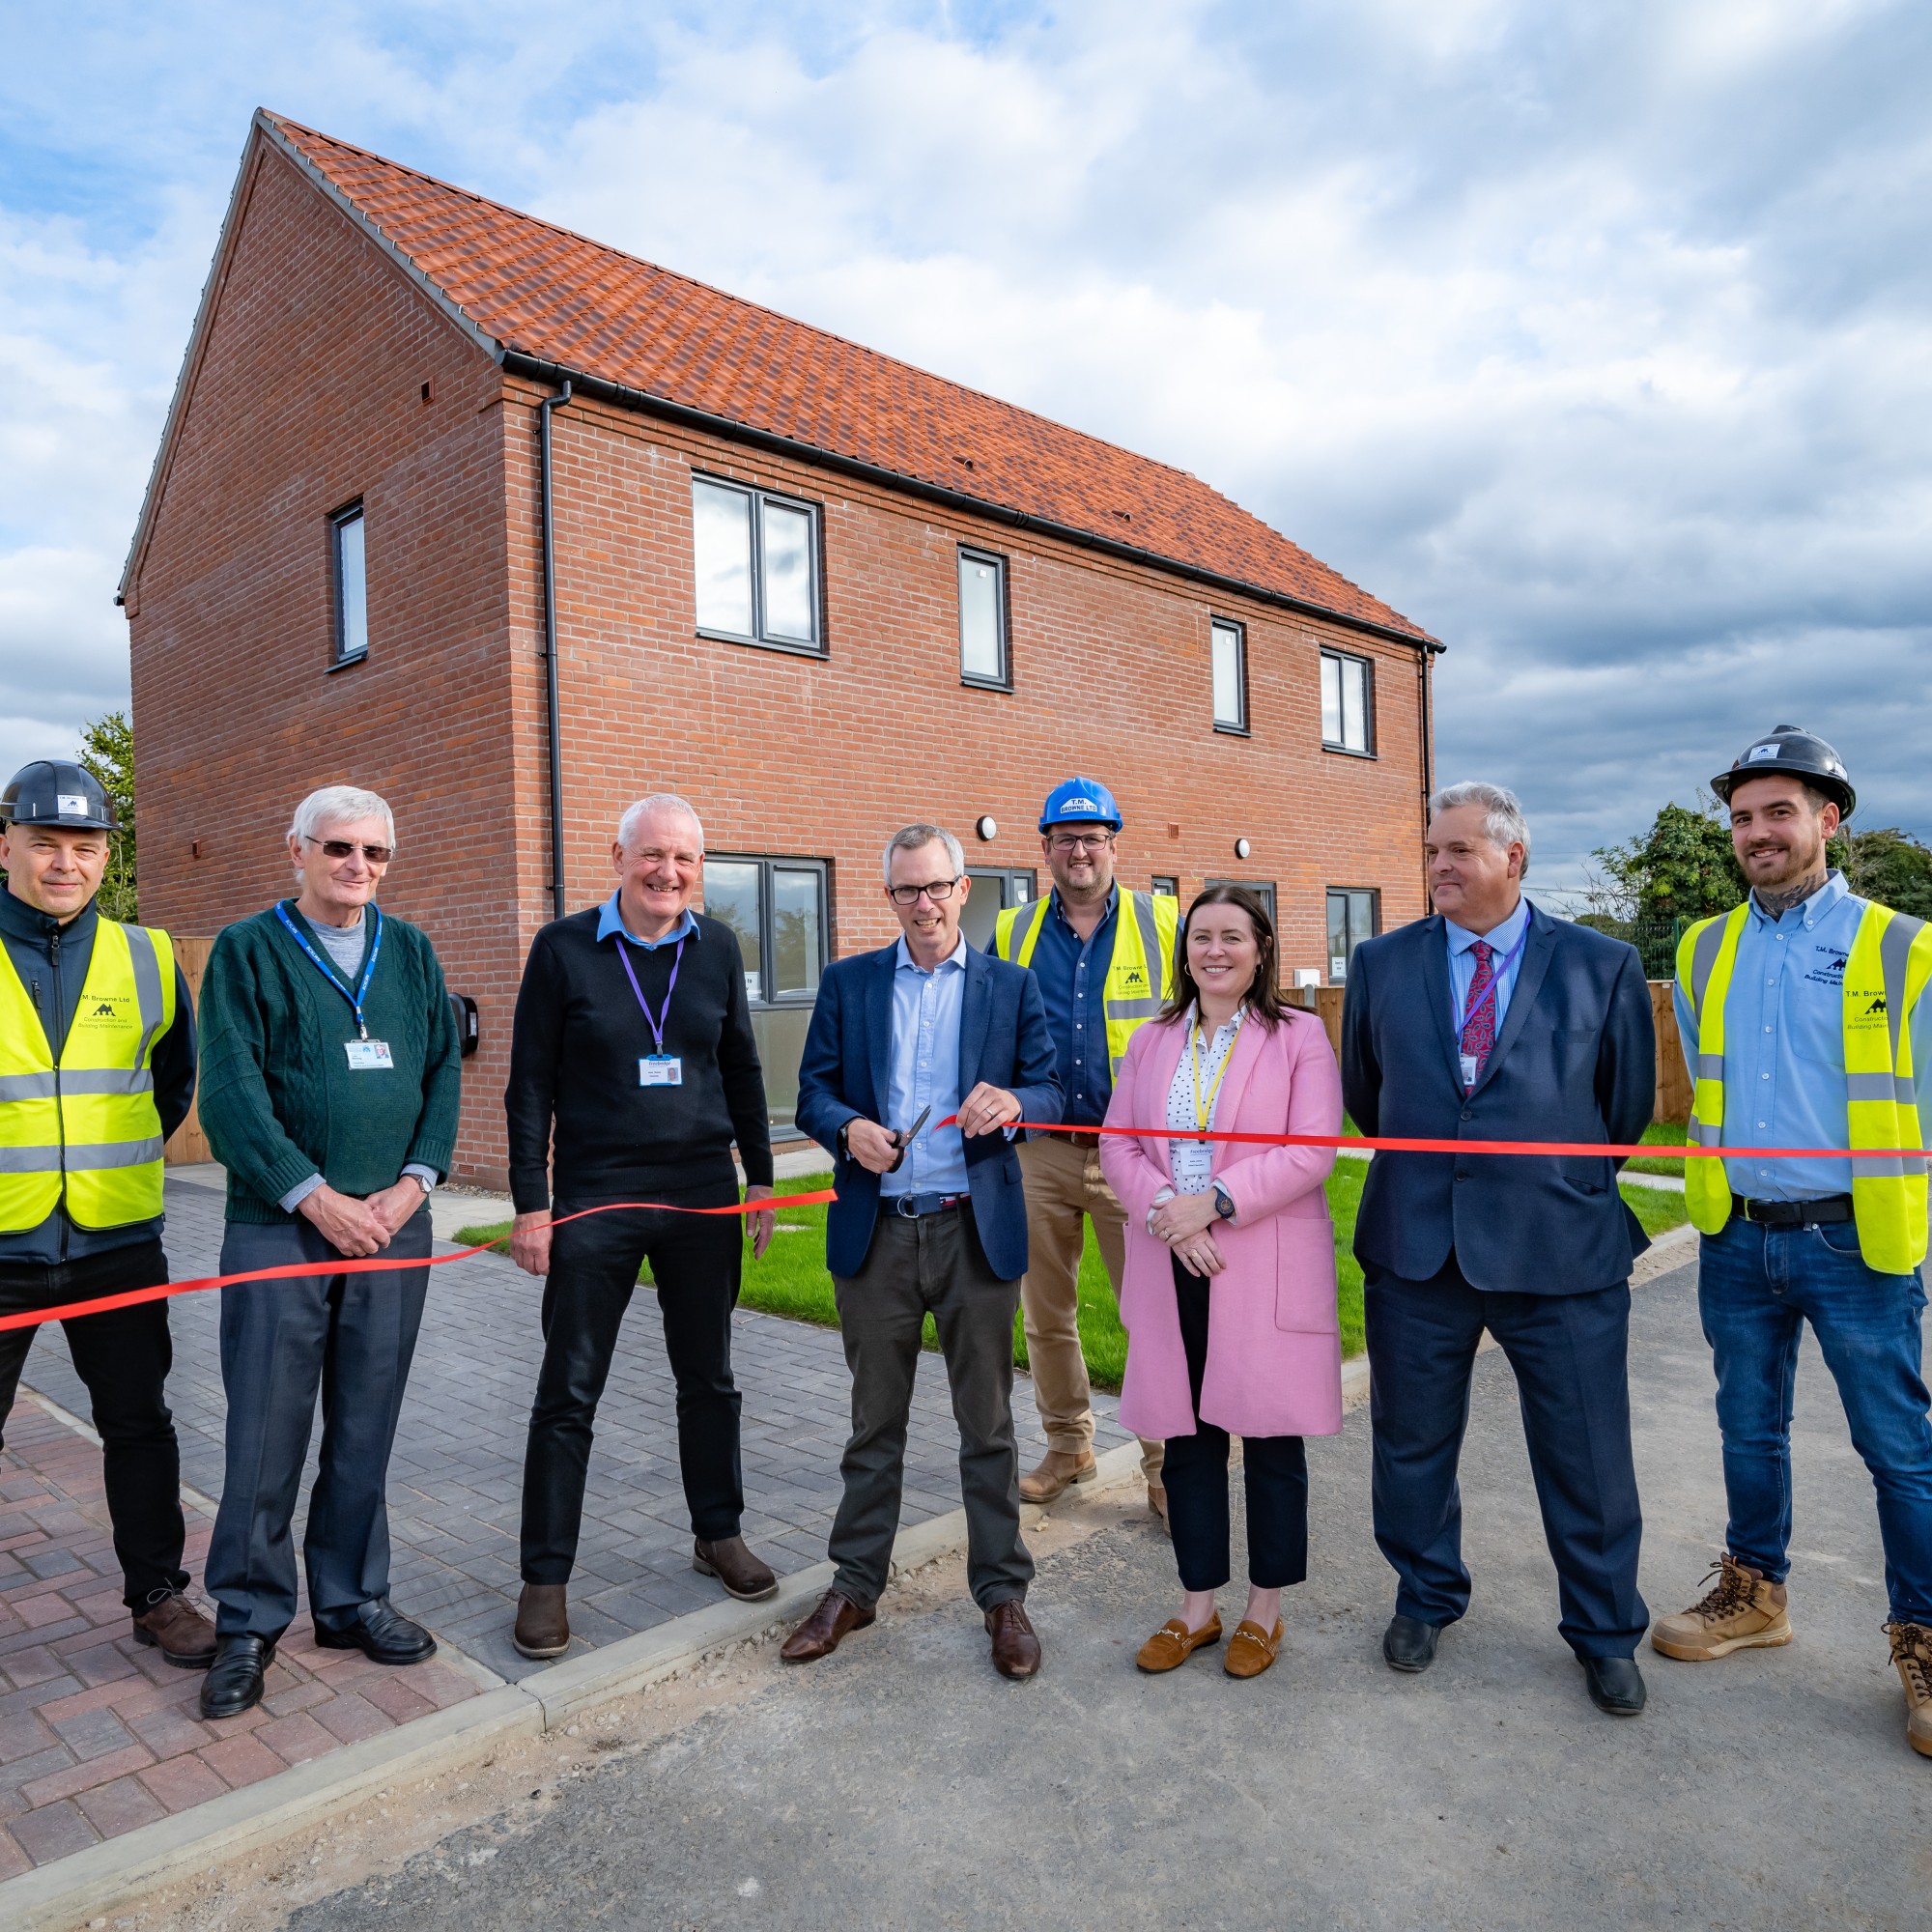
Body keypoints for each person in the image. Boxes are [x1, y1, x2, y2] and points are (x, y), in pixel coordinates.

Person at [1341, 781, 1658, 1717]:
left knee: (1586, 1453)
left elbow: (1623, 1111)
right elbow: (1370, 1090)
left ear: (1512, 858)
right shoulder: (1382, 961)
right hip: (1416, 1248)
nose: (1438, 865)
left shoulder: (1600, 964)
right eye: (1431, 849)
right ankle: (1425, 1593)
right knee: (1409, 1444)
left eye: (1458, 851)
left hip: (1558, 1250)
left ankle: (1603, 1631)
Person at [1652, 725, 1932, 1756]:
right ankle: (1753, 1591)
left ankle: (1923, 1636)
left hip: (1856, 1243)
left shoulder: (1902, 945)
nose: (1756, 831)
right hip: (1734, 1239)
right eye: (1740, 816)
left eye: (1778, 811)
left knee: (1898, 1451)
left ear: (1828, 817)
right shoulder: (1699, 947)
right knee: (1745, 1430)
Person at [196, 785, 462, 1719]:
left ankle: (350, 1600)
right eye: (340, 849)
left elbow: (441, 1076)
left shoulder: (414, 953)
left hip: (393, 1226)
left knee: (364, 1425)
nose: (359, 868)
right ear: (297, 850)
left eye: (376, 854)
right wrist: (316, 1197)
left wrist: (411, 1185)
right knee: (266, 1433)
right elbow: (228, 1096)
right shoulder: (246, 952)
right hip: (280, 1228)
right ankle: (247, 1620)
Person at [785, 824, 1062, 1678]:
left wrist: (1013, 1100)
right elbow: (811, 1095)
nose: (924, 904)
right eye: (907, 890)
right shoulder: (849, 983)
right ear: (890, 898)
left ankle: (1003, 1595)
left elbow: (1052, 1088)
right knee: (875, 1426)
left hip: (974, 1228)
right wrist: (849, 1129)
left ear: (964, 887)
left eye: (937, 886)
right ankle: (856, 1584)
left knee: (988, 1427)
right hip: (880, 1232)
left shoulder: (1008, 987)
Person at [506, 795, 779, 1660]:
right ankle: (544, 1579)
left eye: (686, 861)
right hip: (597, 1195)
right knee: (569, 1392)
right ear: (618, 856)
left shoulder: (718, 947)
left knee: (710, 1378)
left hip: (701, 1190)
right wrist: (530, 1203)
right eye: (653, 856)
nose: (669, 873)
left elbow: (739, 1063)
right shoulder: (562, 950)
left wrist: (762, 1177)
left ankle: (718, 1532)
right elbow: (529, 1087)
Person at [1100, 886, 1344, 1680]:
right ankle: (1196, 1606)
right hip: (1173, 1258)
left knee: (1271, 1439)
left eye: (1232, 936)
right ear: (1186, 951)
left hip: (1258, 1258)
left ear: (1261, 949)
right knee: (1186, 1441)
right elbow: (1117, 1147)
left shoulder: (1299, 1036)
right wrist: (1171, 1211)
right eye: (1201, 936)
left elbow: (1312, 1150)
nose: (1215, 950)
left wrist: (1216, 1205)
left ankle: (1264, 1610)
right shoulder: (1152, 1039)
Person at [0, 760, 213, 1667]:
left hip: (117, 1242)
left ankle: (158, 1596)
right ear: (4, 844)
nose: (64, 863)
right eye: (44, 843)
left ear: (104, 857)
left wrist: (101, 1169)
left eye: (84, 846)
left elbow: (172, 1088)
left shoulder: (150, 955)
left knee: (139, 1424)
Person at [990, 777, 1179, 1518]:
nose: (1079, 850)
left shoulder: (1164, 920)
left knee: (1152, 1314)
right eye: (1065, 839)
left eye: (1092, 837)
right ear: (1045, 850)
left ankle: (1166, 1466)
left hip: (1137, 1155)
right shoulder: (1012, 931)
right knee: (1045, 1313)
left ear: (1112, 846)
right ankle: (1069, 1446)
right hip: (1039, 1151)